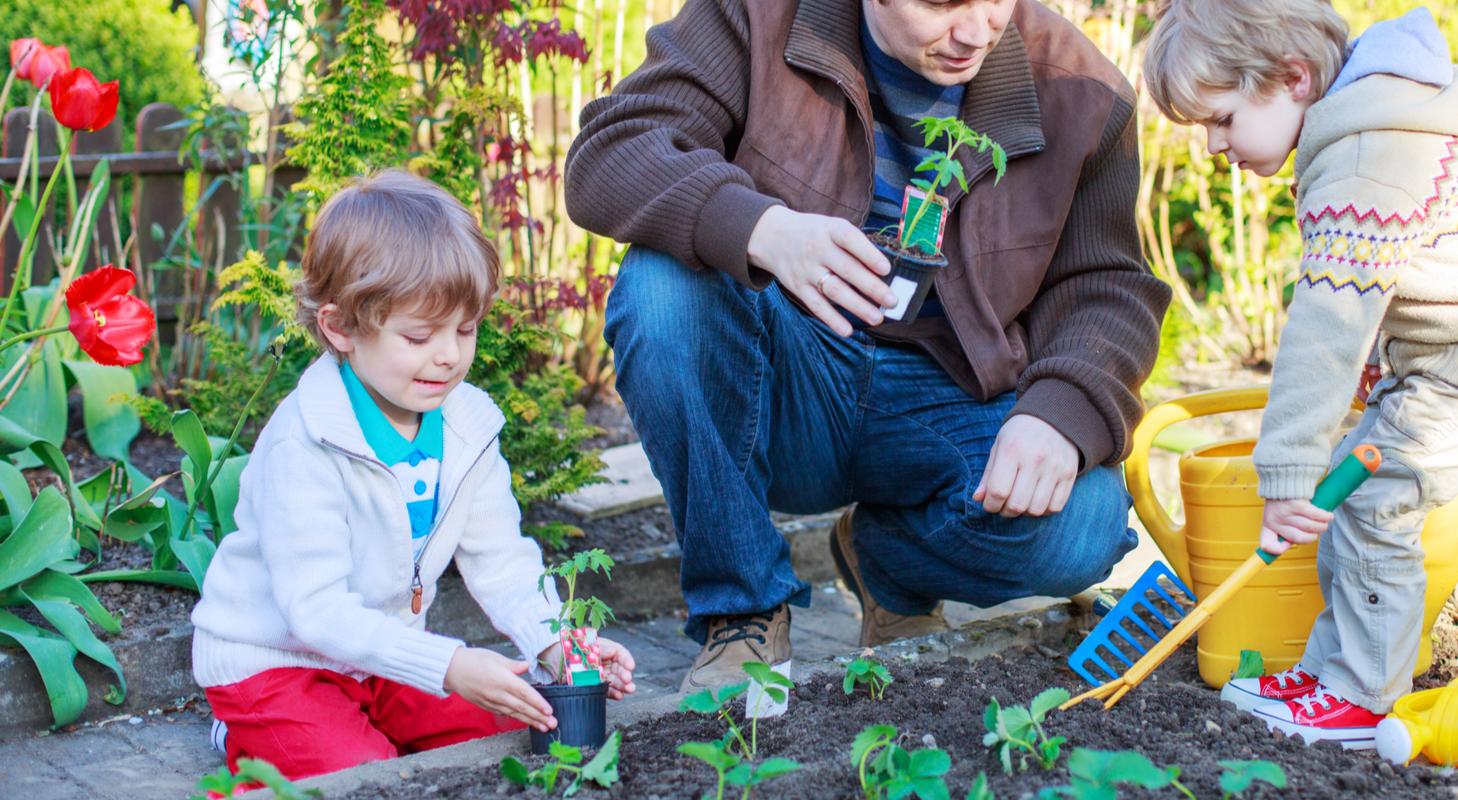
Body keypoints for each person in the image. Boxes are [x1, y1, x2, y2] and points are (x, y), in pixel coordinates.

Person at [564, 0, 1170, 695]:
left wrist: (1060, 413)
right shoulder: (755, 17)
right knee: (660, 286)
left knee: (1085, 525)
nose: (975, 31)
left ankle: (889, 567)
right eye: (941, 4)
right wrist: (759, 227)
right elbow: (613, 151)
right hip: (789, 377)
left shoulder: (1082, 90)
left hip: (951, 396)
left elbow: (1108, 285)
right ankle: (743, 608)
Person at [1142, 0, 1458, 748]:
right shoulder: (1371, 123)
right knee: (1354, 494)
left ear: (1291, 77)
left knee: (1370, 502)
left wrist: (1284, 472)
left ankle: (1358, 699)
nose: (1213, 146)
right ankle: (1333, 672)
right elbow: (1391, 277)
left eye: (1220, 118)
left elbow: (1326, 326)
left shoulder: (1362, 157)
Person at [189, 171, 637, 780]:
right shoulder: (307, 442)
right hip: (276, 662)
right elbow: (315, 612)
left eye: (466, 329)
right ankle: (242, 731)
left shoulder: (467, 428)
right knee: (364, 774)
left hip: (379, 662)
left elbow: (502, 560)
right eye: (419, 335)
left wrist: (558, 647)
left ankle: (355, 719)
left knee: (523, 720)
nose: (449, 355)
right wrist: (450, 664)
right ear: (340, 327)